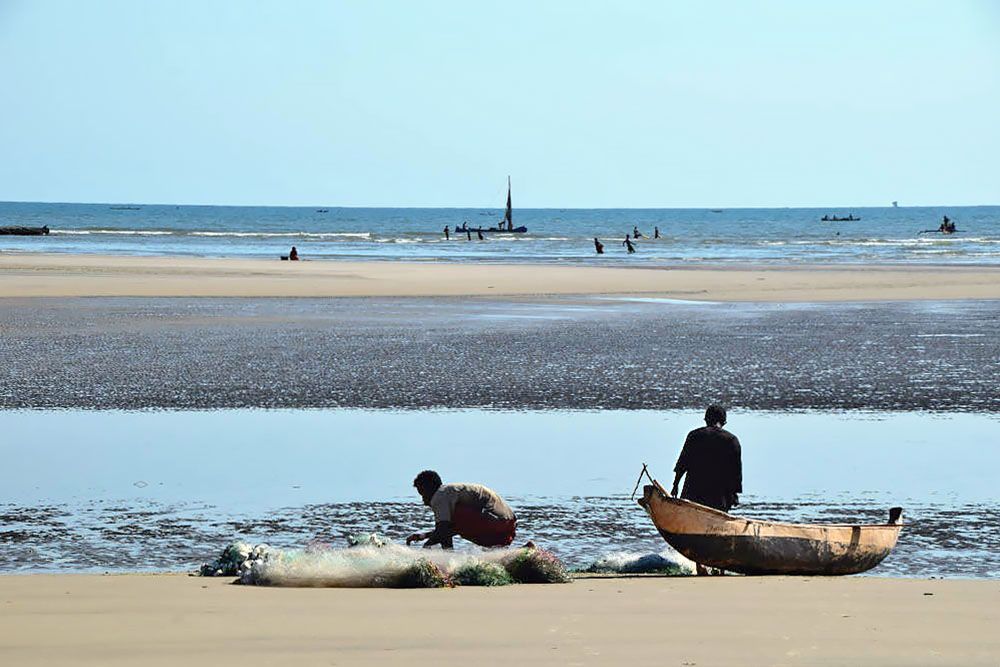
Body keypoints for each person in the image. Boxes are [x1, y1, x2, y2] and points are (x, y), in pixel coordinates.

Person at [671, 405, 742, 576]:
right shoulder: (731, 440)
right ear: (724, 421)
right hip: (720, 493)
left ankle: (700, 566)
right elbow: (736, 471)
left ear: (706, 419)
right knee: (720, 530)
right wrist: (734, 494)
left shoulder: (694, 436)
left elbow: (683, 462)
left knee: (697, 529)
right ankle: (721, 567)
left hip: (695, 490)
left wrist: (675, 484)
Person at [406, 470, 517, 549]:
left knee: (447, 526)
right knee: (449, 526)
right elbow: (450, 529)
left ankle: (448, 560)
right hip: (507, 526)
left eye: (423, 494)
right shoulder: (450, 492)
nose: (423, 500)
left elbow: (444, 531)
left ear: (430, 488)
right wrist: (423, 536)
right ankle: (524, 550)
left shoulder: (440, 496)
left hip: (496, 522)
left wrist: (425, 548)